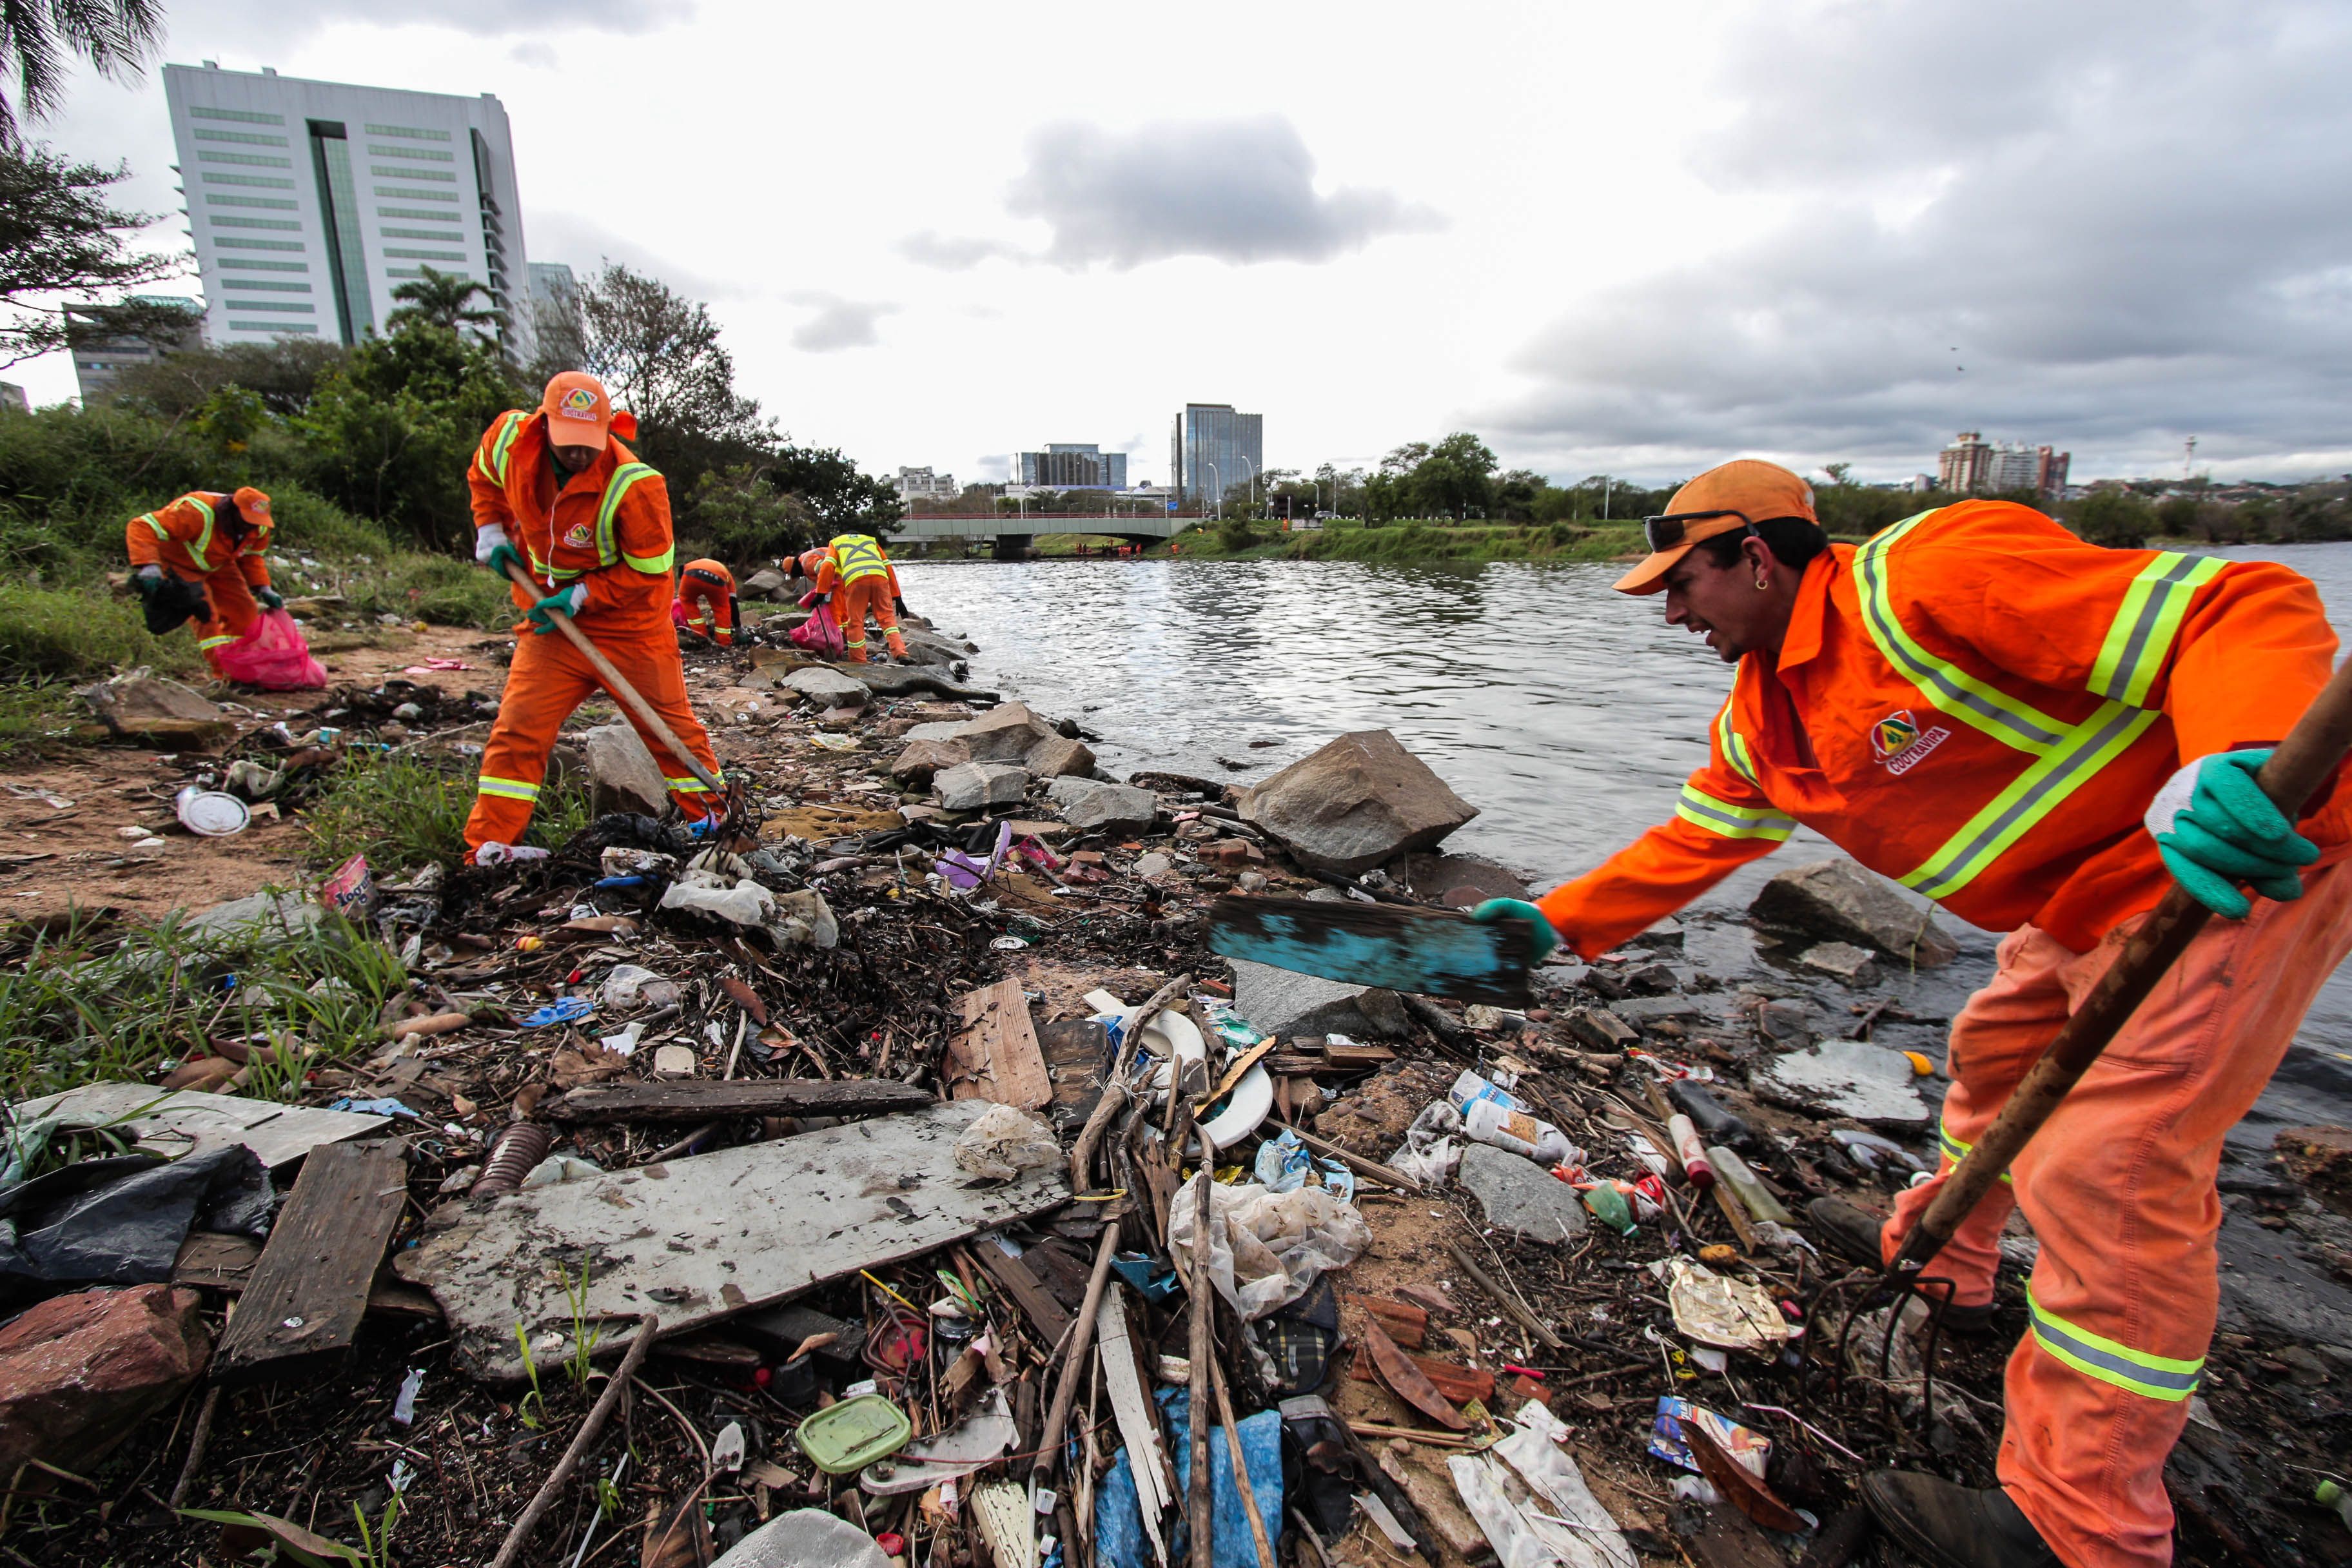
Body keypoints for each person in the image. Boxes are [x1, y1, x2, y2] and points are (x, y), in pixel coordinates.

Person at [1461, 459, 2352, 1568]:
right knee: (1986, 1067)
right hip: (2073, 905)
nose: (1671, 613)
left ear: (1755, 552)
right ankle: (1943, 1263)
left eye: (1681, 584)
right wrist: (1548, 924)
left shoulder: (1925, 577)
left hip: (2224, 869)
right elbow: (1692, 845)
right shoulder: (1759, 717)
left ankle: (2078, 1530)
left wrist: (2244, 748)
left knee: (2111, 1165)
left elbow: (2233, 605)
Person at [463, 371, 726, 862]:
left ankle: (717, 824)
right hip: (551, 625)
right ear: (543, 426)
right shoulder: (508, 440)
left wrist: (583, 594)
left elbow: (650, 573)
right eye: (569, 444)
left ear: (610, 429)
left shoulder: (636, 486)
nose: (580, 454)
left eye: (591, 443)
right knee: (518, 729)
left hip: (632, 627)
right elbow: (483, 477)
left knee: (671, 731)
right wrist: (490, 529)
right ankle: (490, 848)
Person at [124, 485, 280, 675]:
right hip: (179, 565)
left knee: (245, 611)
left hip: (219, 563)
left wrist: (264, 588)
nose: (251, 526)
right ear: (233, 511)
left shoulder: (260, 527)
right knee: (206, 617)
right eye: (247, 521)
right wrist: (149, 567)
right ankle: (227, 675)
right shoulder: (196, 511)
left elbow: (252, 558)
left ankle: (244, 668)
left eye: (256, 522)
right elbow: (141, 526)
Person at [792, 533, 911, 662]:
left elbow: (827, 567)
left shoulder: (836, 543)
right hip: (880, 579)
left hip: (856, 582)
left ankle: (858, 660)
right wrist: (897, 597)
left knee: (855, 621)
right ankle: (900, 652)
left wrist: (821, 593)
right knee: (888, 619)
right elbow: (888, 567)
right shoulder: (870, 540)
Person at [672, 558, 740, 647]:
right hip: (717, 579)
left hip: (690, 575)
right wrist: (739, 628)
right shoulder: (729, 579)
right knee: (722, 608)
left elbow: (682, 570)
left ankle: (700, 635)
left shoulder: (689, 565)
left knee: (687, 601)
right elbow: (733, 605)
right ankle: (724, 641)